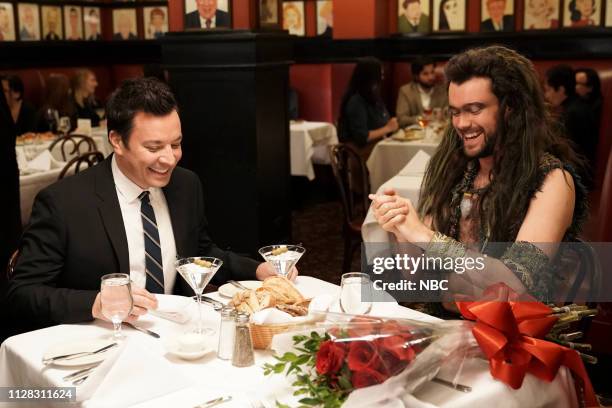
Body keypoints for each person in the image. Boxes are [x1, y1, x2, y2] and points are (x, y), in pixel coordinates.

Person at [6, 78, 294, 335]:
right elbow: (22, 294)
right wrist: (95, 302)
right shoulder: (64, 203)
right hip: (104, 340)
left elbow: (201, 254)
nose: (169, 159)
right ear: (117, 142)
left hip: (175, 335)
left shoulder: (185, 185)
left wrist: (258, 270)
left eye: (176, 144)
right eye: (154, 148)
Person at [370, 46, 588, 312]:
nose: (461, 123)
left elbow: (516, 282)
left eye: (474, 109)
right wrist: (402, 230)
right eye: (455, 111)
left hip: (513, 338)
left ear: (511, 108)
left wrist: (425, 236)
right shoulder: (457, 171)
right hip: (447, 326)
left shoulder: (552, 181)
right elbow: (414, 280)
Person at [544, 64, 597, 185]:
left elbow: (567, 154)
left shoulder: (572, 114)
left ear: (561, 89)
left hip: (578, 179)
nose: (546, 96)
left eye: (548, 90)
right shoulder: (579, 106)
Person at [338, 57, 398, 150]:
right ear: (370, 78)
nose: (382, 78)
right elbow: (362, 137)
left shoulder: (373, 97)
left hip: (378, 147)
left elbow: (385, 121)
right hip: (361, 153)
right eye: (380, 75)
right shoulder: (356, 101)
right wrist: (388, 128)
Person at [396, 56, 448, 128]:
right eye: (425, 74)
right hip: (414, 134)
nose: (431, 77)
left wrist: (443, 115)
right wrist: (420, 119)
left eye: (432, 72)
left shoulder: (443, 90)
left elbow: (450, 113)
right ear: (416, 76)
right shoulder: (406, 91)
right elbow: (401, 119)